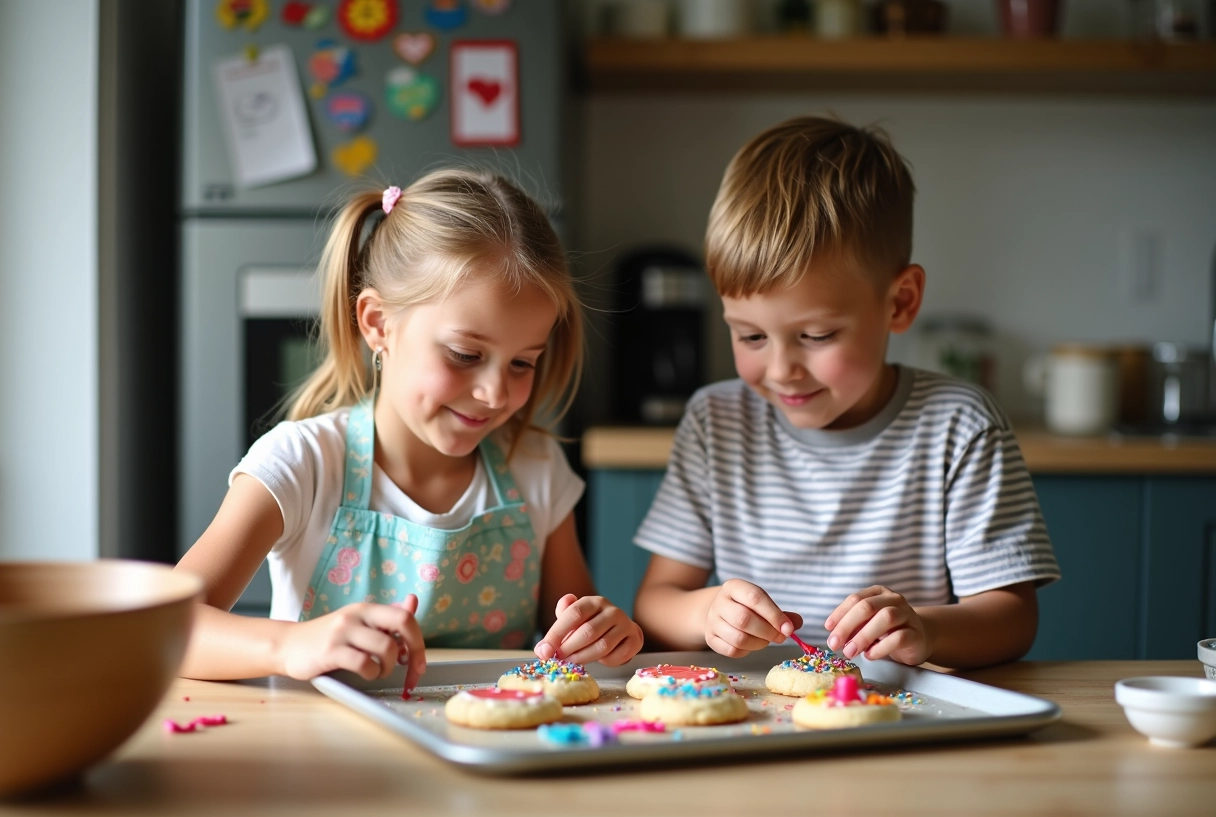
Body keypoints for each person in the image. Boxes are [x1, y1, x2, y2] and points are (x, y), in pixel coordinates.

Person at [176, 169, 642, 690]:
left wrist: (600, 636)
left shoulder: (536, 469)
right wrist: (288, 645)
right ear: (378, 323)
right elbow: (164, 628)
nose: (493, 393)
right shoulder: (301, 464)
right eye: (465, 355)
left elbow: (577, 641)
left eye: (522, 363)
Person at [631, 116, 1060, 670]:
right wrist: (706, 612)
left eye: (816, 336)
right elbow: (655, 600)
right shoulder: (717, 422)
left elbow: (1011, 617)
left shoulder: (959, 426)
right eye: (751, 335)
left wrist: (926, 630)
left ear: (900, 302)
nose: (782, 369)